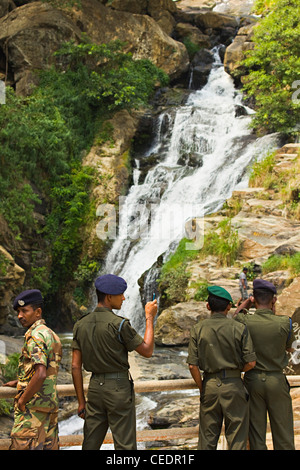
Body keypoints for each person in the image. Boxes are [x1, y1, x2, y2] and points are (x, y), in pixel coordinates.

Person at [71, 274, 158, 450]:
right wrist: (149, 317)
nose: (124, 298)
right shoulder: (119, 325)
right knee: (125, 445)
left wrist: (81, 401)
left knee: (90, 443)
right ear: (109, 297)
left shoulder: (80, 324)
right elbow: (147, 350)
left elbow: (75, 366)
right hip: (118, 389)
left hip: (94, 388)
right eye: (121, 294)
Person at [187, 285, 256, 450]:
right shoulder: (239, 328)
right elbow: (251, 363)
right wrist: (235, 372)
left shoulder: (198, 329)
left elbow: (192, 365)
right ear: (228, 307)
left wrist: (202, 387)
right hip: (233, 385)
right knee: (237, 438)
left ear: (208, 306)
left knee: (207, 440)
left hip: (210, 385)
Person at [234, 279, 295, 450]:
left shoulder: (245, 321)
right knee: (283, 432)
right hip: (277, 380)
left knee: (256, 433)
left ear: (254, 298)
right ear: (274, 300)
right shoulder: (285, 322)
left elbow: (235, 316)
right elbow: (290, 348)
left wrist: (247, 301)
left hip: (252, 381)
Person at [3, 289, 62, 450]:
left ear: (38, 312)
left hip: (32, 411)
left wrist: (22, 401)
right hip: (49, 409)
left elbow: (41, 373)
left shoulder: (34, 336)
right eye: (18, 312)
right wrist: (21, 381)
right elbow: (48, 371)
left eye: (24, 311)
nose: (20, 316)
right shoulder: (51, 334)